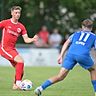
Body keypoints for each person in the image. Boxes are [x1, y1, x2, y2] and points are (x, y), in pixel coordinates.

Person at [34, 19, 96, 96]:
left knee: (60, 76)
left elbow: (66, 43)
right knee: (93, 70)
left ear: (82, 26)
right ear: (91, 28)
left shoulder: (76, 33)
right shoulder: (94, 37)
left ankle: (40, 88)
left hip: (70, 54)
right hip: (82, 55)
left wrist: (61, 55)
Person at [0, 6, 38, 90]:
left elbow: (26, 39)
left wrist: (32, 39)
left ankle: (15, 85)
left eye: (19, 13)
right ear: (12, 13)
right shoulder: (5, 23)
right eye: (16, 12)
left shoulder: (21, 27)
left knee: (20, 69)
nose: (17, 14)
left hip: (12, 50)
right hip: (4, 49)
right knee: (20, 61)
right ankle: (19, 84)